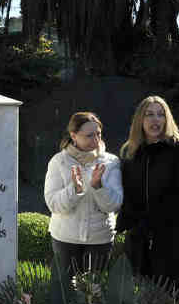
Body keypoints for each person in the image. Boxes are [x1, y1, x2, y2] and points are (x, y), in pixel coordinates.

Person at [117, 96, 179, 280]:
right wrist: (130, 225)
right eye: (149, 114)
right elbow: (127, 194)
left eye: (161, 115)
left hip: (171, 237)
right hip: (138, 239)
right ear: (140, 119)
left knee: (168, 291)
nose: (156, 120)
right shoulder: (131, 151)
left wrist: (153, 223)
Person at [43, 111, 123, 279]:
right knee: (65, 290)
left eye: (98, 134)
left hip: (100, 239)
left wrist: (98, 187)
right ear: (73, 136)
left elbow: (114, 204)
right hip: (65, 238)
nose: (96, 140)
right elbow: (53, 204)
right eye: (89, 136)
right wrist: (75, 189)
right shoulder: (58, 161)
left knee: (94, 290)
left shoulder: (111, 162)